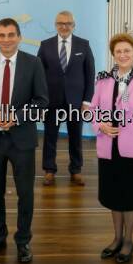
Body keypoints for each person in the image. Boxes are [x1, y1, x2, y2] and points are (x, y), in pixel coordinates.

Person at [0, 18, 48, 263]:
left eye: (11, 35)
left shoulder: (33, 63)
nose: (6, 40)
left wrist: (16, 117)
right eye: (1, 35)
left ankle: (23, 241)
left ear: (19, 37)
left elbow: (42, 101)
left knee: (25, 194)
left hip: (22, 140)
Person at [90, 33, 133, 264]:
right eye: (118, 51)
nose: (122, 55)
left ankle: (128, 240)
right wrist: (100, 125)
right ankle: (116, 238)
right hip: (109, 147)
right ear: (113, 55)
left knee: (131, 197)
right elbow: (93, 109)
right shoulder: (103, 78)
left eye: (127, 51)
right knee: (113, 195)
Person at [37, 10, 95, 186]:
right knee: (50, 136)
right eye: (60, 23)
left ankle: (76, 170)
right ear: (55, 25)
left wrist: (86, 101)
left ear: (73, 25)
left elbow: (89, 74)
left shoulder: (83, 45)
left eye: (68, 23)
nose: (64, 26)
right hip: (51, 101)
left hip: (76, 102)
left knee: (76, 136)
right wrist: (40, 100)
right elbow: (38, 75)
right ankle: (49, 170)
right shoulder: (45, 45)